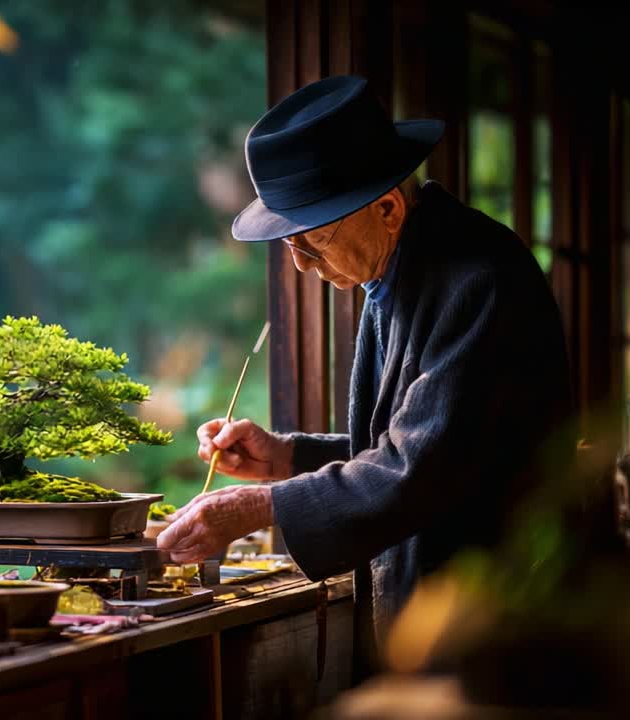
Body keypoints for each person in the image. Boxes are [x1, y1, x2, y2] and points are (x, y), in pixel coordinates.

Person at [155, 75, 574, 671]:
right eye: (291, 246)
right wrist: (285, 458)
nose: (302, 265)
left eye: (314, 241)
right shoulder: (399, 271)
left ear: (386, 207)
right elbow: (421, 439)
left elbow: (422, 467)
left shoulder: (477, 277)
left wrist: (259, 507)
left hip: (498, 616)